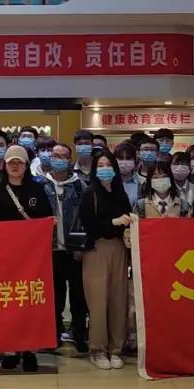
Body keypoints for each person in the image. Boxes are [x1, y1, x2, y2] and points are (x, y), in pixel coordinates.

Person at [0, 145, 54, 372]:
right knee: (7, 303)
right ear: (5, 166)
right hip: (5, 260)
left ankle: (30, 351)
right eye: (11, 162)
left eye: (19, 162)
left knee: (30, 303)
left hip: (32, 261)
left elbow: (47, 220)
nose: (15, 166)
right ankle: (10, 349)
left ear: (26, 165)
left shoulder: (37, 190)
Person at [78, 149, 131, 370]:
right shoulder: (90, 193)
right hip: (96, 249)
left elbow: (128, 218)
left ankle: (116, 348)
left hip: (119, 249)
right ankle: (98, 349)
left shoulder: (120, 193)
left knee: (119, 299)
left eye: (108, 165)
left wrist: (127, 226)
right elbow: (89, 225)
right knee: (98, 301)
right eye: (100, 166)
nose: (105, 169)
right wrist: (112, 223)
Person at [43, 142, 88, 354]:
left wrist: (82, 246)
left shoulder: (80, 186)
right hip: (51, 251)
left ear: (70, 160)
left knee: (78, 295)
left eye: (63, 156)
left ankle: (79, 334)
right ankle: (54, 334)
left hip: (74, 250)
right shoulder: (42, 185)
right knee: (55, 296)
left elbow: (86, 218)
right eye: (55, 155)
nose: (58, 159)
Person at [114, 141, 140, 206]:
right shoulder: (109, 181)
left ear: (135, 160)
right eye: (120, 158)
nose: (124, 162)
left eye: (128, 158)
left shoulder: (141, 182)